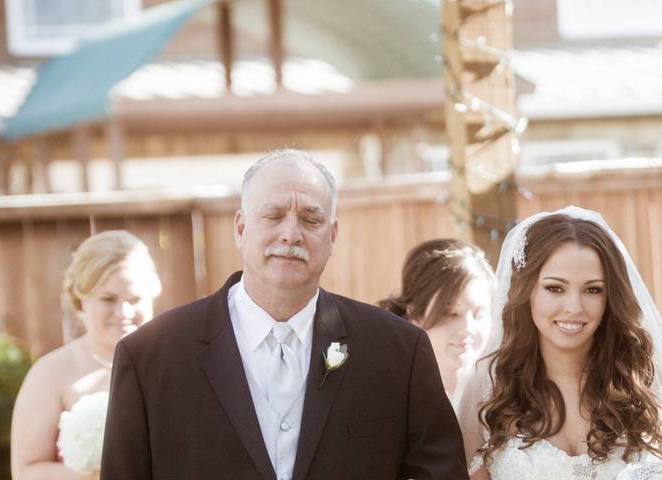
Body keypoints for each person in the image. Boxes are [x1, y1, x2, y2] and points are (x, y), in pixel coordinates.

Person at [100, 149, 467, 480]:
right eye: (273, 216)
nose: (291, 234)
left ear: (333, 235)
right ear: (241, 229)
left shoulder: (398, 351)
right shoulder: (150, 356)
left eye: (311, 219)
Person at [455, 206, 662, 480]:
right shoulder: (488, 389)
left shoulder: (653, 390)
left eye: (593, 290)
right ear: (526, 292)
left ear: (610, 297)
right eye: (555, 288)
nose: (574, 307)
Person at [10, 230, 162, 479]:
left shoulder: (176, 362)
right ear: (81, 301)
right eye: (108, 299)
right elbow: (27, 471)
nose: (124, 312)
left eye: (135, 299)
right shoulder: (51, 372)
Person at [379, 239, 493, 399]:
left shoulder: (505, 399)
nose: (467, 328)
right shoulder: (391, 397)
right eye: (451, 313)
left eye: (478, 314)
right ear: (416, 315)